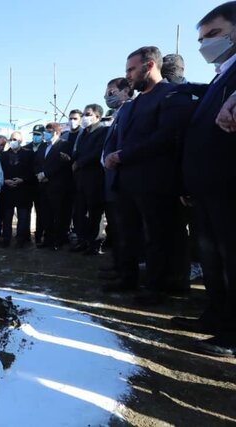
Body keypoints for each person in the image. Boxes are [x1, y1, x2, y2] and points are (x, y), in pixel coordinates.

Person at [104, 46, 193, 305]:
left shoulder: (172, 94)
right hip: (127, 182)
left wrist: (122, 155)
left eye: (131, 69)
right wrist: (113, 156)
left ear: (150, 65)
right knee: (128, 232)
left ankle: (156, 288)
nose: (128, 76)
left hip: (154, 182)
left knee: (156, 237)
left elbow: (165, 137)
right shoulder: (134, 103)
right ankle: (127, 277)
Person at [173, 1, 236, 357]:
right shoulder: (221, 75)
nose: (205, 45)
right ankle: (215, 316)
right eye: (201, 38)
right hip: (206, 187)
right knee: (213, 258)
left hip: (229, 184)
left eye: (214, 34)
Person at [99, 78, 135, 282]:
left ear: (126, 91)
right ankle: (119, 265)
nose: (107, 97)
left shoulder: (131, 110)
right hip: (111, 179)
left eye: (111, 92)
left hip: (122, 178)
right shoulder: (117, 113)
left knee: (126, 228)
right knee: (116, 227)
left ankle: (126, 272)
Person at [71, 104, 107, 255]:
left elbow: (97, 152)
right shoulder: (84, 133)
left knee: (94, 213)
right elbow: (77, 151)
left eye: (88, 114)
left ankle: (94, 243)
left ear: (97, 116)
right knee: (80, 212)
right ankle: (83, 241)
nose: (84, 117)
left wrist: (79, 162)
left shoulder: (103, 131)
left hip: (94, 178)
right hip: (81, 179)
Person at [34, 122, 74, 250]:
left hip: (57, 186)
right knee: (45, 214)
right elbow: (36, 162)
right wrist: (39, 173)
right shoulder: (42, 146)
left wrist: (46, 174)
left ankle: (58, 240)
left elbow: (62, 164)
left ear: (56, 132)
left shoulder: (64, 145)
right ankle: (48, 239)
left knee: (59, 214)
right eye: (45, 131)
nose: (45, 134)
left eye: (48, 131)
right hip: (43, 186)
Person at [0, 131, 35, 247]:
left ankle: (21, 239)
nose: (13, 141)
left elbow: (32, 171)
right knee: (7, 217)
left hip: (23, 189)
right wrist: (5, 181)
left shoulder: (29, 154)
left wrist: (23, 179)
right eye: (11, 139)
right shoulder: (3, 155)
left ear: (21, 141)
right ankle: (6, 239)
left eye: (16, 139)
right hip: (8, 190)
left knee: (23, 216)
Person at [26, 124, 46, 246]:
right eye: (34, 134)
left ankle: (39, 235)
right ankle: (25, 235)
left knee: (40, 211)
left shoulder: (46, 147)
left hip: (40, 184)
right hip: (27, 184)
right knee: (26, 211)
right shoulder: (26, 148)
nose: (35, 136)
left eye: (38, 134)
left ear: (43, 135)